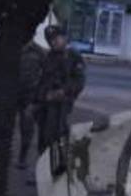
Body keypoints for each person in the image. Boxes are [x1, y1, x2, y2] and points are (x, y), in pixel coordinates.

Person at [35, 25, 86, 154]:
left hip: (61, 103)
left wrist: (63, 91)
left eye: (56, 39)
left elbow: (79, 82)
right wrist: (40, 97)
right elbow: (42, 80)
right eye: (50, 40)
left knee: (57, 137)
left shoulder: (72, 56)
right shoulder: (48, 57)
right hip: (45, 104)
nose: (53, 42)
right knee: (44, 138)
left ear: (64, 38)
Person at [15, 39, 46, 169]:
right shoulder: (11, 47)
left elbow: (47, 72)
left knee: (27, 128)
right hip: (10, 94)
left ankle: (22, 158)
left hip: (30, 96)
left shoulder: (39, 52)